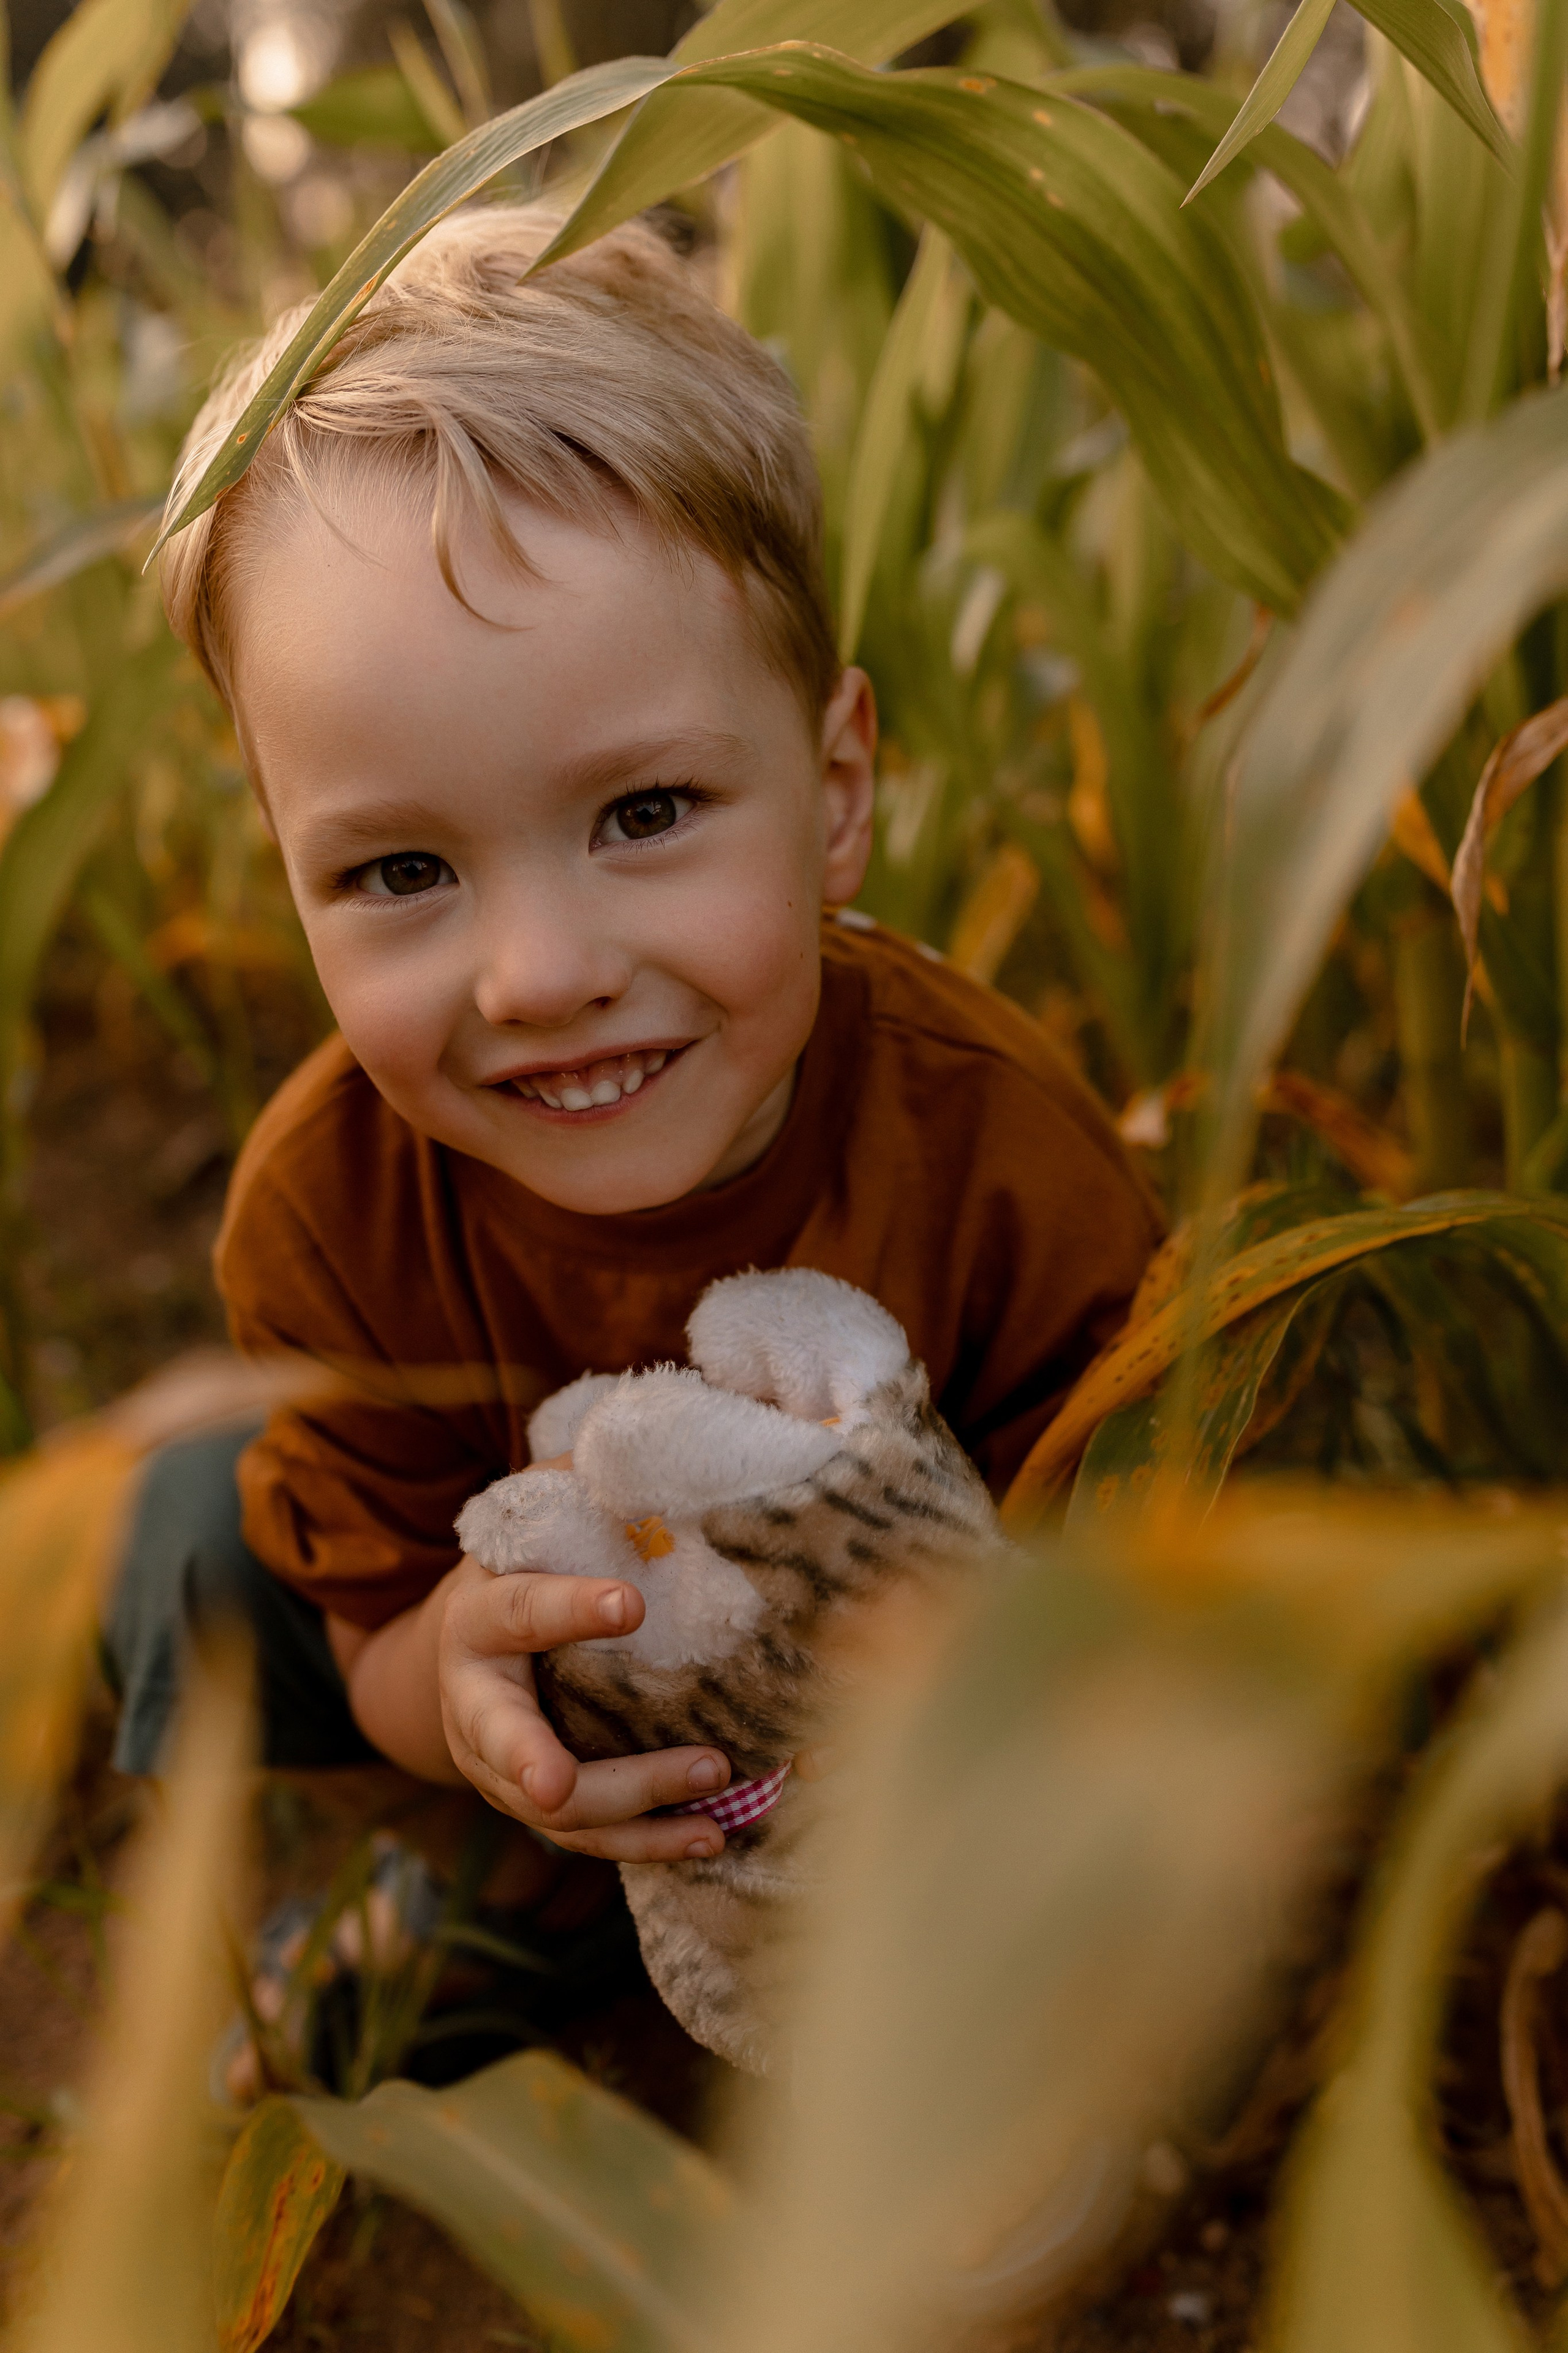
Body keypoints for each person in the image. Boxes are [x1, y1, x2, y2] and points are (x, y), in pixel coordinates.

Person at [106, 202, 1160, 1930]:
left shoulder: (999, 1152)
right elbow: (375, 1620)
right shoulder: (328, 1213)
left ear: (833, 796)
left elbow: (1139, 1582)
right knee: (192, 1536)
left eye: (645, 814)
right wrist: (450, 1678)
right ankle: (503, 1877)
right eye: (401, 872)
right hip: (575, 1694)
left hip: (936, 1763)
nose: (541, 975)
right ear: (284, 863)